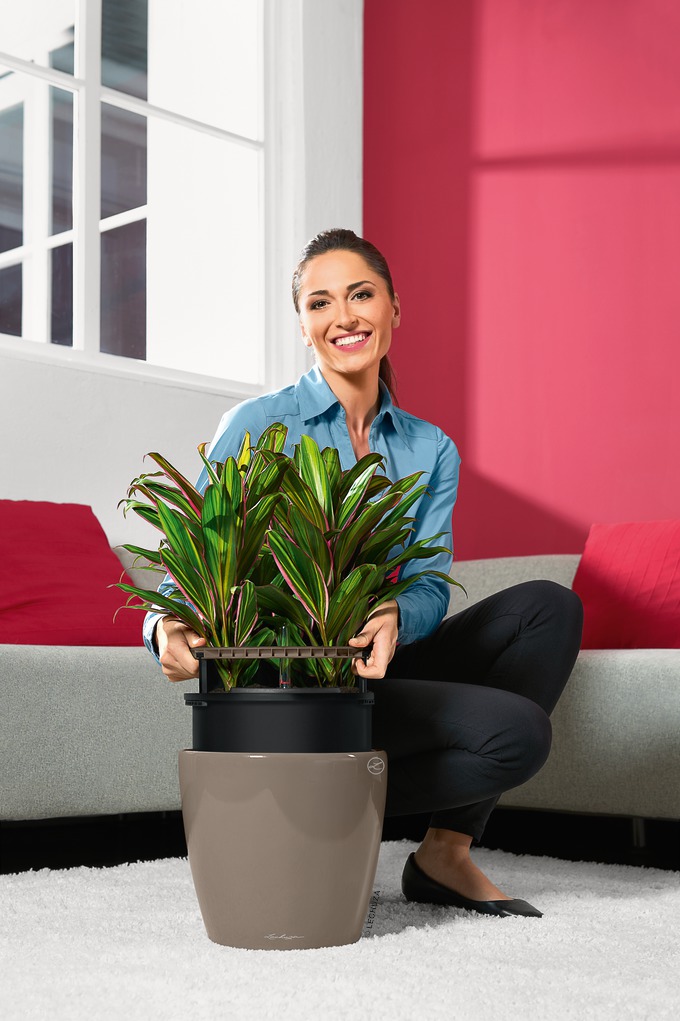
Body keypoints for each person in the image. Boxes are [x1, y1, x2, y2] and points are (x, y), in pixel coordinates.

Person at [144, 228, 583, 918]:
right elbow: (192, 558)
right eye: (320, 303)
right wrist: (163, 626)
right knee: (517, 735)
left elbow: (429, 580)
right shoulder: (257, 424)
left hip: (378, 664)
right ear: (303, 326)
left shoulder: (429, 448)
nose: (343, 316)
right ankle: (313, 805)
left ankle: (444, 856)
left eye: (361, 295)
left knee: (549, 608)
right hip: (295, 686)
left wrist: (395, 614)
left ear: (393, 308)